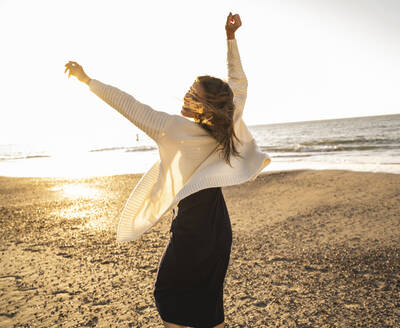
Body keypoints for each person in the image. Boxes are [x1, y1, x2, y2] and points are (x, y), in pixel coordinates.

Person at [65, 12, 270, 328]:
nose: (187, 95)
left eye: (194, 94)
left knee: (167, 295)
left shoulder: (173, 129)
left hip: (193, 228)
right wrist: (230, 38)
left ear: (206, 106)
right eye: (189, 90)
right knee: (208, 303)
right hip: (219, 228)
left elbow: (130, 106)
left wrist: (88, 81)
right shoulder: (226, 124)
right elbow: (238, 84)